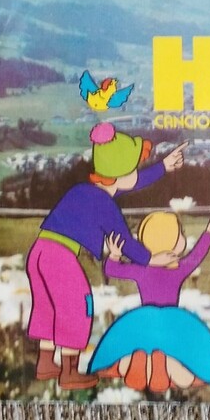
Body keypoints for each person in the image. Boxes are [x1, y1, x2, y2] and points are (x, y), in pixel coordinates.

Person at [26, 123, 189, 390]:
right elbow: (125, 241)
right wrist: (151, 260)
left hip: (40, 252)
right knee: (77, 306)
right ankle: (69, 372)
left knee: (48, 307)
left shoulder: (87, 190)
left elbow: (130, 183)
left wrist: (163, 166)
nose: (136, 174)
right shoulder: (104, 204)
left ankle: (45, 363)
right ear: (119, 175)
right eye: (133, 169)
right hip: (60, 258)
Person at [89, 208, 210, 392]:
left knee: (131, 353)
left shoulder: (142, 269)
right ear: (171, 241)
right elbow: (197, 256)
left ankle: (146, 364)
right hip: (172, 321)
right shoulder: (178, 269)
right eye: (180, 233)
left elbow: (112, 269)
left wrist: (114, 255)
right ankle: (157, 365)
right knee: (183, 368)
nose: (184, 236)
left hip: (145, 320)